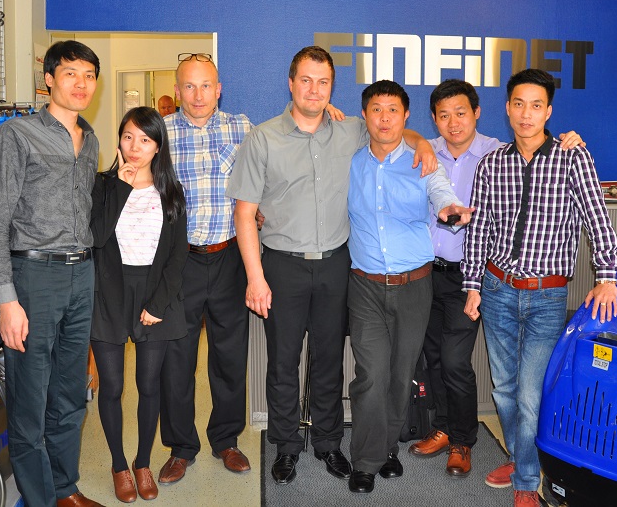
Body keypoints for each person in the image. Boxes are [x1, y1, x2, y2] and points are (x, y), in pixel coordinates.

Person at [227, 46, 437, 486]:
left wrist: (422, 144)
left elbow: (393, 130)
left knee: (328, 361)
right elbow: (244, 213)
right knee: (283, 363)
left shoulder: (351, 130)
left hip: (336, 265)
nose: (314, 90)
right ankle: (286, 447)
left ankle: (327, 443)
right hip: (281, 264)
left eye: (323, 82)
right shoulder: (263, 138)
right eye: (306, 80)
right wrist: (255, 277)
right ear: (291, 83)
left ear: (331, 88)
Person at [461, 69, 617, 507]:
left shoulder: (572, 157)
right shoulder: (492, 163)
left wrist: (607, 277)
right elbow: (480, 230)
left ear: (548, 111)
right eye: (518, 104)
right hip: (497, 289)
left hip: (547, 296)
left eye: (536, 105)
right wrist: (473, 285)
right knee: (504, 390)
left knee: (531, 395)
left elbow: (596, 218)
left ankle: (527, 481)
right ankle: (520, 457)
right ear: (507, 108)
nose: (526, 114)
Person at [410, 80, 585, 480]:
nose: (453, 122)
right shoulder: (425, 151)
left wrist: (568, 140)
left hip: (473, 276)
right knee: (432, 357)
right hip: (426, 271)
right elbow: (390, 131)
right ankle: (443, 427)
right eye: (443, 115)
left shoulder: (496, 154)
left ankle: (462, 440)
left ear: (478, 112)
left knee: (456, 361)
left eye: (461, 113)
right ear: (433, 119)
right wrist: (418, 140)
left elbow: (537, 148)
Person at [0, 40, 105, 507]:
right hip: (34, 276)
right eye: (71, 73)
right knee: (31, 396)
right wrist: (6, 299)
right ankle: (39, 499)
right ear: (49, 79)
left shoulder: (91, 140)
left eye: (89, 75)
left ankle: (65, 487)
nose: (81, 83)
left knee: (71, 392)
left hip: (81, 273)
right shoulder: (18, 134)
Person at [346, 80, 472, 494]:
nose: (384, 118)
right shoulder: (350, 160)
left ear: (406, 117)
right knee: (371, 374)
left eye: (393, 110)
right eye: (376, 109)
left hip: (415, 286)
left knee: (401, 376)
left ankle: (388, 449)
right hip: (365, 286)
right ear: (365, 115)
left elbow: (441, 192)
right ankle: (366, 461)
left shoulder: (423, 159)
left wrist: (450, 209)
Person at [157, 53, 253, 484]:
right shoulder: (160, 132)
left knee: (229, 356)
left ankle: (226, 440)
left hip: (230, 257)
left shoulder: (242, 128)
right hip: (180, 262)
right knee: (177, 358)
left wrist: (330, 114)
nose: (198, 95)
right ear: (177, 90)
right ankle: (181, 447)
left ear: (219, 89)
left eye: (206, 85)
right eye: (189, 86)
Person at [90, 107, 188, 503]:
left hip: (155, 293)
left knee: (149, 385)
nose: (135, 146)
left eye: (145, 139)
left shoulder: (170, 191)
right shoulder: (102, 185)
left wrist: (160, 303)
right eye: (128, 136)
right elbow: (96, 236)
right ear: (119, 140)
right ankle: (118, 465)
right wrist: (120, 186)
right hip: (109, 294)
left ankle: (143, 462)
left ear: (158, 146)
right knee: (112, 386)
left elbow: (178, 256)